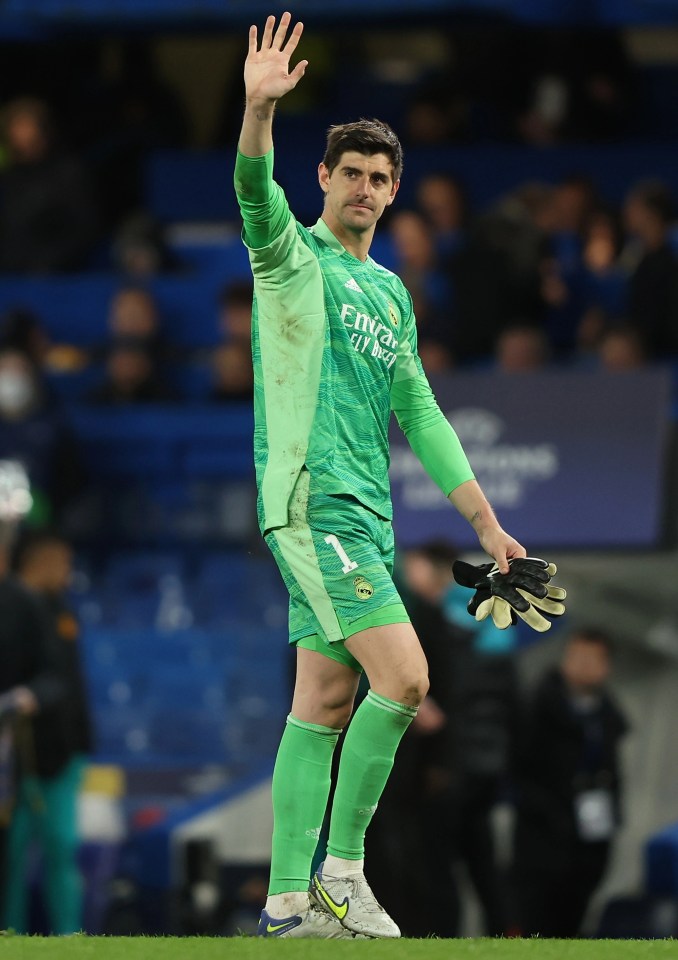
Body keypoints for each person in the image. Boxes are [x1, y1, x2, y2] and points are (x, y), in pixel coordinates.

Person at [234, 13, 527, 940]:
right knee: (403, 680)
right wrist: (257, 114)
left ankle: (286, 905)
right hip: (311, 499)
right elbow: (251, 189)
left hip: (365, 513)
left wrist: (486, 525)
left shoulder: (392, 293)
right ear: (322, 179)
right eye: (349, 172)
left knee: (322, 700)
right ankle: (342, 876)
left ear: (394, 189)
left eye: (379, 176)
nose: (363, 186)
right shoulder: (290, 259)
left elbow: (424, 415)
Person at [510, 627, 628, 938]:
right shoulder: (537, 706)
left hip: (588, 845)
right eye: (577, 657)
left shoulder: (609, 720)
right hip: (541, 843)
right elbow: (518, 769)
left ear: (606, 666)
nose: (583, 665)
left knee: (571, 927)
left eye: (592, 659)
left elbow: (613, 781)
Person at [3, 529, 92, 935]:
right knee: (11, 853)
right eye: (64, 562)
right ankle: (9, 935)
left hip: (58, 751)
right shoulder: (14, 604)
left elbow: (64, 682)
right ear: (41, 561)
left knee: (60, 846)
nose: (68, 572)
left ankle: (69, 934)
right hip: (14, 754)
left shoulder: (59, 610)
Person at [0, 97, 98, 274]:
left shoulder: (68, 172)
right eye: (15, 126)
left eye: (26, 125)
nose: (21, 133)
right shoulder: (8, 177)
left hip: (54, 273)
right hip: (10, 271)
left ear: (43, 129)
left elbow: (84, 226)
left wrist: (48, 263)